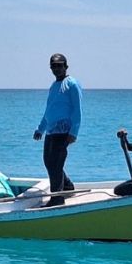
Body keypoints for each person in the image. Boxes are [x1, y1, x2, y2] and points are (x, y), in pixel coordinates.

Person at [33, 53, 82, 206]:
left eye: (59, 65)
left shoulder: (72, 84)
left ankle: (57, 198)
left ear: (66, 67)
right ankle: (67, 186)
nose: (57, 68)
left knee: (56, 163)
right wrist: (40, 128)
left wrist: (73, 132)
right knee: (49, 162)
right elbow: (49, 110)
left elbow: (77, 110)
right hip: (51, 131)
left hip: (64, 131)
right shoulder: (53, 86)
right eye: (54, 66)